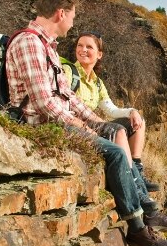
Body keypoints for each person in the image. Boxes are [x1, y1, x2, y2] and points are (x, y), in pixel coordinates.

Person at [5, 0, 167, 246]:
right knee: (113, 153)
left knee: (112, 134)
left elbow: (67, 96)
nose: (73, 22)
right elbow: (43, 102)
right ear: (60, 13)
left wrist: (94, 122)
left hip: (57, 121)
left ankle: (146, 212)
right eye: (73, 16)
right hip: (41, 125)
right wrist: (78, 124)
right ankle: (138, 229)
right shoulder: (29, 43)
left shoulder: (46, 47)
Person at [63, 31, 159, 192]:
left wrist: (132, 111)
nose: (83, 50)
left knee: (137, 120)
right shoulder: (68, 72)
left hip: (94, 124)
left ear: (99, 54)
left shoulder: (97, 83)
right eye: (80, 45)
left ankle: (137, 169)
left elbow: (111, 110)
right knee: (119, 130)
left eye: (89, 47)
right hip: (75, 125)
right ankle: (135, 183)